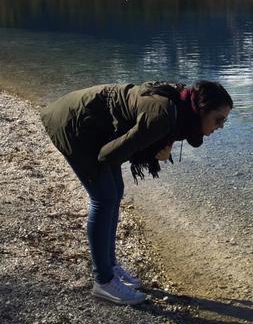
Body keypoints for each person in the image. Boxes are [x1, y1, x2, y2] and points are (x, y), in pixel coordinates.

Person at [40, 80, 233, 305]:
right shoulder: (164, 116)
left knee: (115, 192)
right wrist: (153, 151)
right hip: (74, 125)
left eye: (225, 121)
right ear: (200, 110)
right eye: (218, 119)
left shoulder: (178, 107)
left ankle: (110, 265)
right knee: (104, 198)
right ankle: (104, 281)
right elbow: (107, 156)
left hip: (92, 124)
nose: (220, 126)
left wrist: (156, 145)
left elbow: (128, 139)